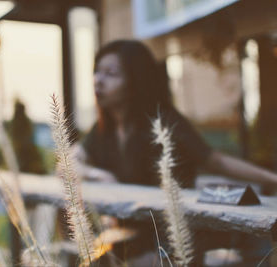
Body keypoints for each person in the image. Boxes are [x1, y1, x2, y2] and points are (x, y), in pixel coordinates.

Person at [74, 40, 277, 265]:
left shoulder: (164, 121)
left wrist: (272, 179)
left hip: (170, 241)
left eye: (110, 73)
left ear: (135, 81)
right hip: (128, 239)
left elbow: (215, 161)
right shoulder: (104, 129)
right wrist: (97, 175)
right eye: (97, 72)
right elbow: (68, 161)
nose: (98, 81)